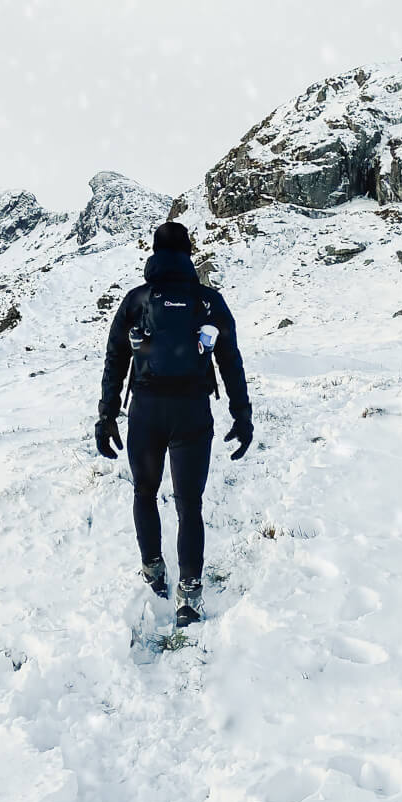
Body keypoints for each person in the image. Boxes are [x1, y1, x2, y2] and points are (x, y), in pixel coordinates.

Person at [95, 220, 253, 627]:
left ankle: (153, 572)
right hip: (192, 413)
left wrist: (107, 415)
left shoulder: (137, 300)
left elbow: (116, 359)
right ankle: (190, 593)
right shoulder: (208, 301)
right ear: (188, 254)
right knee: (189, 505)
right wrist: (242, 413)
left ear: (154, 253)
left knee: (145, 493)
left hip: (146, 413)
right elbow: (229, 359)